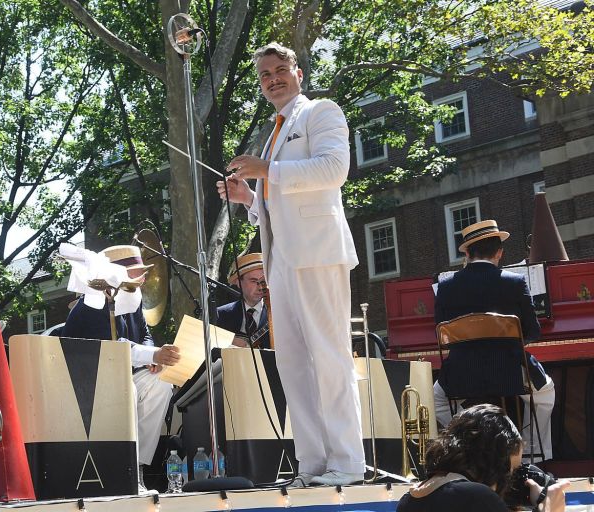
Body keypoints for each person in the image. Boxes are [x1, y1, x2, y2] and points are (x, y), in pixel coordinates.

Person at [216, 42, 363, 487]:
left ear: (299, 72)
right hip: (281, 262)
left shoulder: (321, 111)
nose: (273, 78)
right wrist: (250, 199)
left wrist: (267, 171)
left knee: (329, 357)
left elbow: (334, 170)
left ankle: (348, 463)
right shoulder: (275, 130)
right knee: (294, 364)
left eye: (281, 70)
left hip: (319, 255)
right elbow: (280, 203)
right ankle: (313, 464)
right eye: (265, 74)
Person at [61, 245, 181, 493]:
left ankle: (135, 467)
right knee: (129, 389)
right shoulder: (91, 305)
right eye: (138, 272)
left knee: (161, 382)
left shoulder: (132, 301)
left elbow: (144, 333)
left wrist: (153, 356)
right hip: (85, 388)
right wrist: (153, 353)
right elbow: (112, 347)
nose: (145, 278)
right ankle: (121, 468)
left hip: (118, 380)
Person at [434, 220, 555, 460]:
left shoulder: (446, 286)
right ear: (499, 252)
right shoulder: (514, 282)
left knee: (436, 399)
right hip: (509, 371)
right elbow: (532, 331)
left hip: (462, 373)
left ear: (467, 253)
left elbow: (442, 334)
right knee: (546, 393)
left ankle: (467, 446)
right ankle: (531, 456)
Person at [397, 404, 568, 512]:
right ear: (493, 461)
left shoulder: (408, 501)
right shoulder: (476, 497)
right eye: (510, 471)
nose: (510, 483)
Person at [216, 252, 271, 349]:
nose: (260, 287)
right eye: (254, 281)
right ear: (238, 282)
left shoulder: (277, 313)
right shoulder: (220, 314)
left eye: (263, 281)